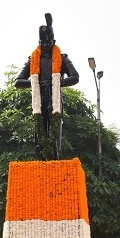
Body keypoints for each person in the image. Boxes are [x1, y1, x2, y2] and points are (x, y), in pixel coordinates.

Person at [15, 13, 79, 160]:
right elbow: (18, 82)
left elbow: (75, 77)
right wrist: (35, 83)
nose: (45, 46)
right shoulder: (33, 60)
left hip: (54, 100)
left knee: (55, 135)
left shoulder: (61, 58)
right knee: (39, 134)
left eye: (48, 43)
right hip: (39, 100)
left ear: (53, 41)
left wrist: (57, 83)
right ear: (39, 42)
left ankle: (55, 161)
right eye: (42, 43)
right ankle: (40, 162)